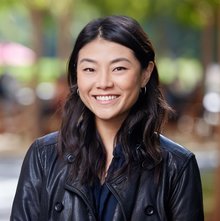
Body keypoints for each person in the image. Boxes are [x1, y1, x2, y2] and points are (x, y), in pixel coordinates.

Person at [10, 15, 204, 221]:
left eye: (118, 68)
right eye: (90, 69)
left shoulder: (177, 165)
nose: (103, 82)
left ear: (146, 73)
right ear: (76, 75)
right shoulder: (43, 156)